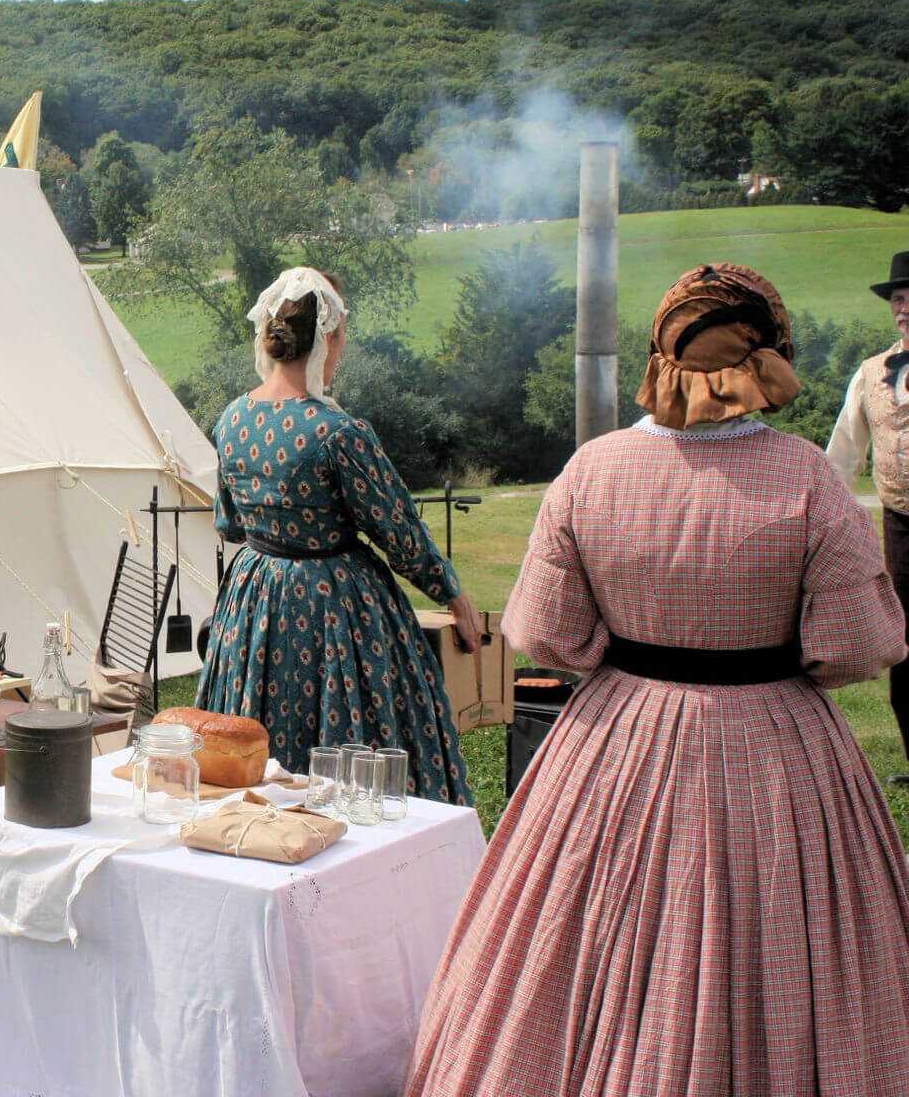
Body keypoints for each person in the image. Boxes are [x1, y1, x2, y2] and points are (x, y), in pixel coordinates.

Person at [406, 264, 909, 1095]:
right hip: (776, 749)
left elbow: (543, 635)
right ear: (765, 357)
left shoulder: (592, 470)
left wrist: (630, 638)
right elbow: (854, 648)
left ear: (664, 360)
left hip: (615, 741)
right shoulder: (807, 478)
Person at [195, 266, 479, 805]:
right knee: (349, 748)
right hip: (332, 607)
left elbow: (229, 523)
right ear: (328, 338)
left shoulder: (231, 420)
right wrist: (452, 593)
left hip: (252, 603)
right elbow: (400, 532)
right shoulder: (338, 432)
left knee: (254, 743)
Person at [824, 247, 909, 784]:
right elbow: (842, 457)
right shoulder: (871, 373)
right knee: (905, 649)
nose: (904, 308)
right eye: (898, 299)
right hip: (902, 529)